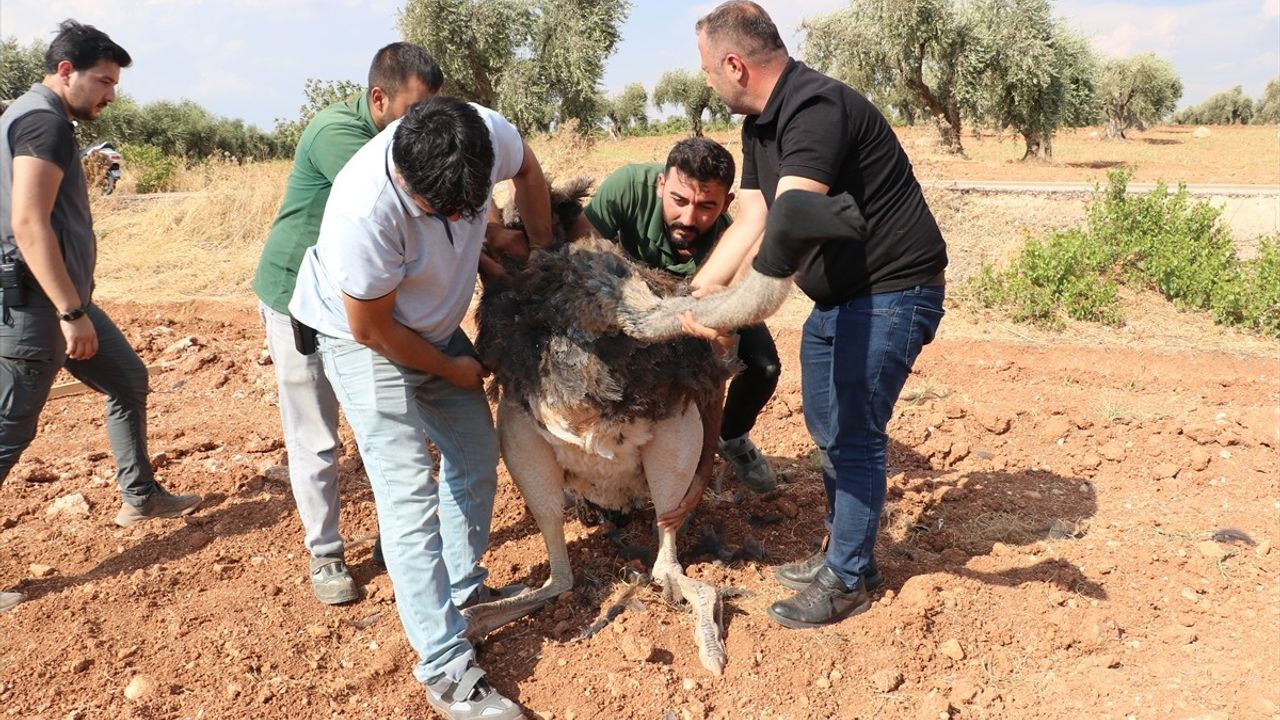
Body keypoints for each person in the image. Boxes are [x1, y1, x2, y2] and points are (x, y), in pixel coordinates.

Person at [685, 1, 948, 629]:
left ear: (733, 63)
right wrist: (702, 288)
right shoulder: (759, 127)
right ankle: (844, 553)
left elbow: (793, 222)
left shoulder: (815, 108)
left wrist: (734, 308)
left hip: (891, 292)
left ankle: (850, 577)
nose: (706, 81)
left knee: (853, 430)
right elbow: (751, 217)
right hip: (838, 299)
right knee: (828, 425)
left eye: (706, 69)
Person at [289, 95, 550, 720]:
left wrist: (542, 254)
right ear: (405, 179)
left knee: (475, 454)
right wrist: (456, 367)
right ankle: (445, 667)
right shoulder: (364, 210)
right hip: (364, 337)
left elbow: (532, 175)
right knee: (407, 487)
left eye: (472, 207)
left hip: (429, 325)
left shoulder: (484, 131)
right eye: (441, 213)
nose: (460, 221)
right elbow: (374, 331)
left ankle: (458, 593)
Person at [0, 20, 202, 613]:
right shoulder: (44, 123)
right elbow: (30, 224)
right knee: (9, 434)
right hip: (40, 308)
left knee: (128, 380)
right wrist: (69, 311)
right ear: (66, 71)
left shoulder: (24, 115)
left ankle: (140, 495)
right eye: (103, 81)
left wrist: (77, 306)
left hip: (58, 301)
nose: (110, 94)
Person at [252, 42, 441, 606]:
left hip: (361, 299)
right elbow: (413, 205)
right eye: (414, 113)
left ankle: (394, 537)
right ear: (378, 98)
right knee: (316, 433)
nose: (423, 127)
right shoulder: (342, 137)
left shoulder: (395, 134)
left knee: (390, 420)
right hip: (298, 299)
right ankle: (326, 554)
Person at [567, 137, 781, 516]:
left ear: (727, 204)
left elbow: (716, 363)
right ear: (661, 185)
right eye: (679, 201)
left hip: (696, 311)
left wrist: (700, 474)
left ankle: (731, 439)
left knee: (764, 366)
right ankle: (589, 468)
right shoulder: (626, 188)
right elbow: (584, 256)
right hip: (628, 304)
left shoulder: (731, 241)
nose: (688, 218)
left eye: (706, 207)